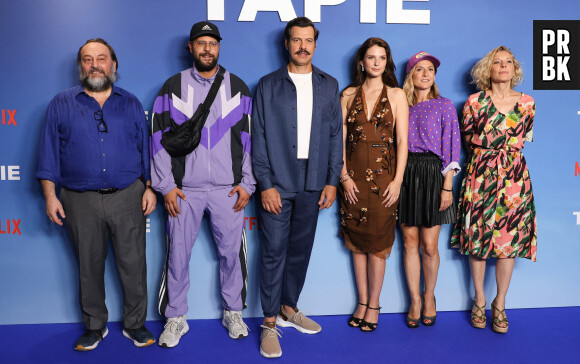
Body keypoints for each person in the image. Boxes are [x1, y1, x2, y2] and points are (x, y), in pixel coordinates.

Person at [36, 38, 156, 350]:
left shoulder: (130, 103)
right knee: (88, 266)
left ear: (113, 64)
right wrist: (50, 196)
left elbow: (146, 151)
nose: (95, 65)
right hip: (79, 199)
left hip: (128, 195)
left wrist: (150, 188)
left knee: (133, 265)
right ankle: (94, 326)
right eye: (88, 60)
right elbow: (48, 153)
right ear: (81, 67)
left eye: (101, 58)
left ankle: (135, 324)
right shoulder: (61, 103)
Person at [150, 21, 255, 347]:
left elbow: (250, 139)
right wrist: (165, 186)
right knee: (177, 257)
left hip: (227, 190)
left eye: (212, 43)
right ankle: (175, 318)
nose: (207, 48)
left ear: (219, 47)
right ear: (191, 48)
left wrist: (248, 184)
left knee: (231, 255)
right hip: (185, 191)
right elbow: (156, 139)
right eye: (200, 43)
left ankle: (233, 311)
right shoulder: (171, 87)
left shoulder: (237, 86)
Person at [252, 17, 343, 358]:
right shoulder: (267, 85)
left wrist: (331, 181)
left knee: (300, 250)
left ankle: (289, 308)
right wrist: (265, 184)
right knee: (274, 251)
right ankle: (270, 324)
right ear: (286, 44)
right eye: (296, 40)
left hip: (314, 179)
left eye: (308, 40)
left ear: (315, 45)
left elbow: (335, 137)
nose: (302, 46)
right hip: (277, 179)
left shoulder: (328, 84)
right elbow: (258, 138)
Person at [451, 46, 537, 334]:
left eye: (508, 62)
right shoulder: (474, 102)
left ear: (515, 69)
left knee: (508, 241)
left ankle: (500, 303)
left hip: (514, 176)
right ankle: (479, 300)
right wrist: (488, 151)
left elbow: (524, 137)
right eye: (497, 62)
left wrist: (498, 147)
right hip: (480, 174)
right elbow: (467, 140)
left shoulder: (527, 103)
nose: (503, 66)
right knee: (477, 239)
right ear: (489, 69)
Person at [339, 37, 408, 332]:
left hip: (384, 182)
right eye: (371, 57)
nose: (376, 62)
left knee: (378, 246)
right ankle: (362, 302)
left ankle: (375, 305)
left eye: (381, 57)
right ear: (362, 62)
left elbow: (403, 142)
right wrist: (343, 176)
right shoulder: (347, 95)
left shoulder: (396, 95)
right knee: (356, 244)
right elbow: (338, 140)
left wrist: (398, 181)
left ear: (386, 62)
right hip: (352, 180)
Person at [399, 51, 461, 328]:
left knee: (429, 246)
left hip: (434, 173)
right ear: (410, 74)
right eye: (419, 69)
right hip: (405, 172)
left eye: (430, 70)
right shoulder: (401, 105)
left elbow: (453, 146)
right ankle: (414, 299)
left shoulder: (444, 105)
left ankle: (429, 297)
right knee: (409, 243)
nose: (425, 74)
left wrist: (447, 186)